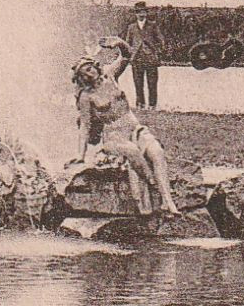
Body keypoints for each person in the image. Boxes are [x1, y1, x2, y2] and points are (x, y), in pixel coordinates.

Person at [71, 38, 178, 216]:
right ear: (80, 79)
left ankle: (169, 202)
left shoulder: (110, 75)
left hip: (135, 129)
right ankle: (153, 184)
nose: (88, 75)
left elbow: (127, 56)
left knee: (157, 152)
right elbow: (85, 126)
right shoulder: (86, 97)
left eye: (89, 68)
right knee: (132, 152)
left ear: (95, 66)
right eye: (83, 74)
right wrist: (80, 155)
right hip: (114, 138)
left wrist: (119, 42)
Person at [123, 1, 166, 109]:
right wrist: (130, 54)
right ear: (135, 14)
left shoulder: (152, 25)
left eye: (143, 12)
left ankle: (152, 105)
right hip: (137, 58)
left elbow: (161, 40)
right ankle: (140, 104)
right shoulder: (131, 27)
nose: (141, 15)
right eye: (138, 12)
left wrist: (156, 52)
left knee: (152, 83)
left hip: (150, 58)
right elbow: (128, 43)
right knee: (138, 83)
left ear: (146, 13)